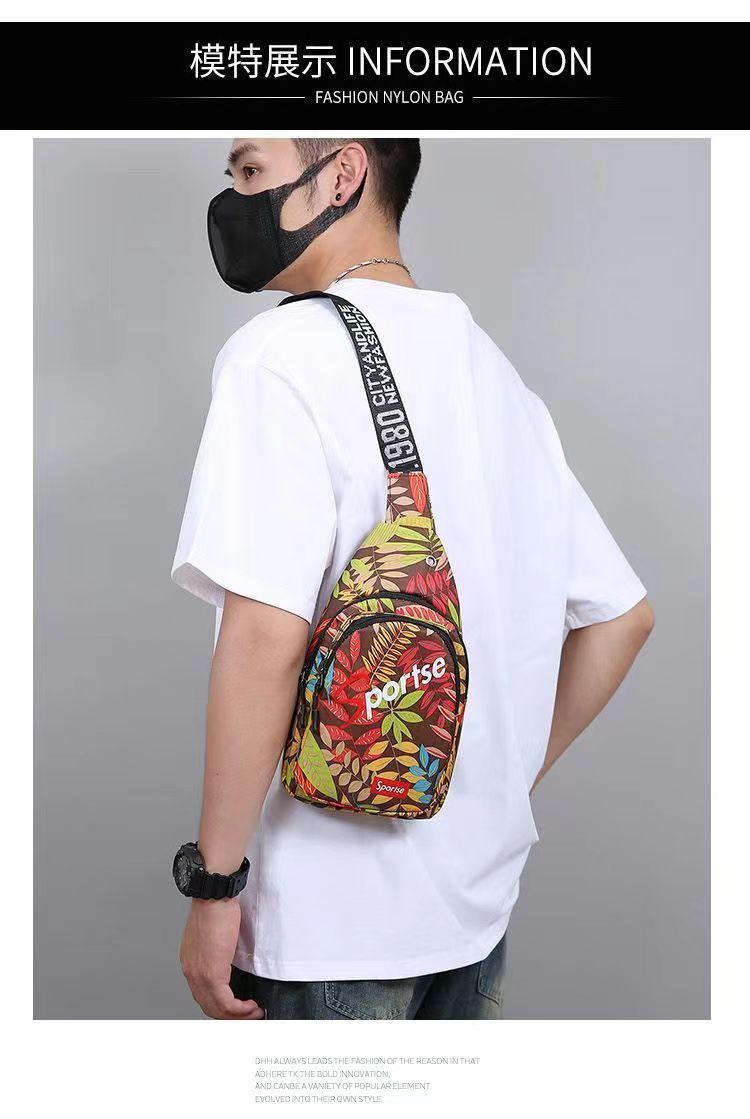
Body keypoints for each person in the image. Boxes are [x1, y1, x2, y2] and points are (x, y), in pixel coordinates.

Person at [171, 137, 654, 1021]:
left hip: (327, 926)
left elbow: (265, 638)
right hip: (476, 915)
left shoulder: (278, 354)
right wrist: (487, 781)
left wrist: (215, 883)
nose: (234, 199)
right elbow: (624, 617)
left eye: (250, 172)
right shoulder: (496, 375)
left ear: (342, 173)